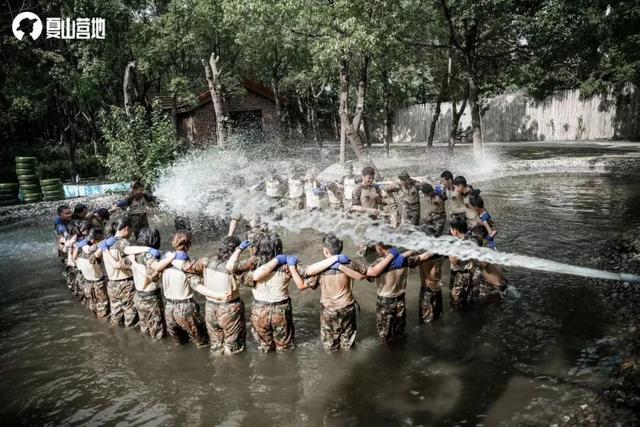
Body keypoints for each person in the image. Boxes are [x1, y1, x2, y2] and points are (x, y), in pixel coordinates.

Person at [300, 234, 395, 351]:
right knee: (348, 344)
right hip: (347, 308)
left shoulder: (319, 268)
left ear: (326, 251)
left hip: (329, 311)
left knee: (329, 346)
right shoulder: (349, 263)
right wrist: (391, 256)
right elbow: (369, 273)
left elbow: (305, 286)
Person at [232, 232, 305, 352]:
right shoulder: (287, 264)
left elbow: (232, 267)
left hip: (259, 309)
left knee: (264, 348)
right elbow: (308, 273)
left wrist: (239, 249)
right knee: (285, 348)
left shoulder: (252, 264)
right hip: (281, 309)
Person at [178, 236, 252, 355]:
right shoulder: (235, 268)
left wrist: (200, 286)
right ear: (235, 251)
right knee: (233, 347)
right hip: (230, 308)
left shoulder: (206, 261)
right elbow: (251, 280)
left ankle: (219, 367)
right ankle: (233, 370)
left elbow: (185, 268)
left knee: (216, 345)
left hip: (210, 307)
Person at [126, 227, 175, 340]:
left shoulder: (135, 253)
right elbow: (156, 266)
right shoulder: (148, 255)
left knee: (145, 329)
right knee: (158, 332)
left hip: (138, 295)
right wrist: (171, 257)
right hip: (150, 297)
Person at [162, 230, 209, 346]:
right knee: (202, 342)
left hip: (168, 308)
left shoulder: (164, 262)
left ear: (174, 243)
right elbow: (196, 285)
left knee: (178, 344)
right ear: (189, 245)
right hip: (185, 308)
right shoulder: (189, 266)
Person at [99, 217, 139, 328]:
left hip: (111, 284)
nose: (131, 233)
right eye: (131, 230)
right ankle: (133, 341)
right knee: (131, 318)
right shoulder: (124, 243)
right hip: (126, 284)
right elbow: (127, 263)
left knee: (116, 316)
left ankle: (117, 338)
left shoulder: (106, 243)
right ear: (126, 228)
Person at [74, 228, 110, 319]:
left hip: (87, 284)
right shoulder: (94, 252)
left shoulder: (78, 251)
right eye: (102, 238)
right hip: (99, 284)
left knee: (93, 310)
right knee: (104, 313)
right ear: (95, 240)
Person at [448, 216, 480, 309]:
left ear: (455, 231)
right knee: (468, 299)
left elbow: (453, 262)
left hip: (460, 277)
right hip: (471, 275)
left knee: (457, 303)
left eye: (451, 229)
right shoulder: (471, 239)